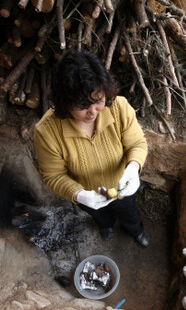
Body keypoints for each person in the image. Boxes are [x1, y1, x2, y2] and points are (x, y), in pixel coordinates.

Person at [33, 50, 150, 247]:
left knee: (128, 211)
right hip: (88, 194)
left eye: (98, 100)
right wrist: (79, 194)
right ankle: (106, 226)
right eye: (82, 105)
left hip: (122, 187)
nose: (93, 112)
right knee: (99, 214)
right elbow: (53, 175)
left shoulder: (119, 107)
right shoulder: (47, 131)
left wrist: (133, 167)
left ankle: (136, 230)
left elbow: (137, 143)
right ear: (65, 102)